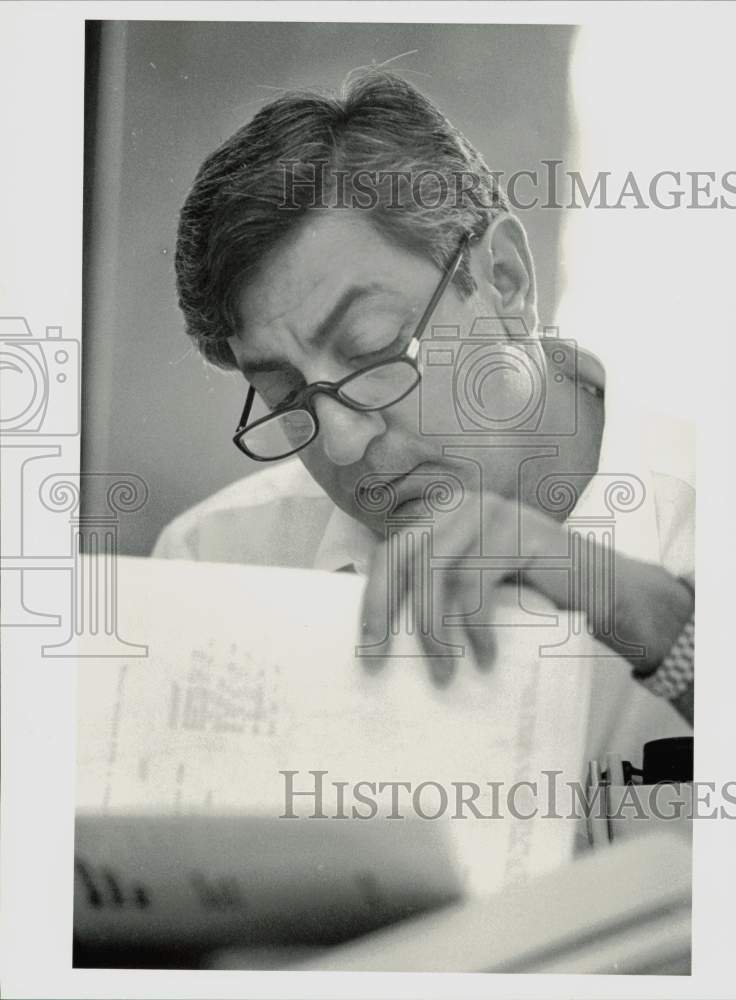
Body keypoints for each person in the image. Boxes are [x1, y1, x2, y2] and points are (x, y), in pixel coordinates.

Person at [156, 71, 695, 753]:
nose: (345, 443)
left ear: (505, 280)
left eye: (373, 349)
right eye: (285, 395)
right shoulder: (213, 568)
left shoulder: (729, 516)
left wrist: (665, 625)